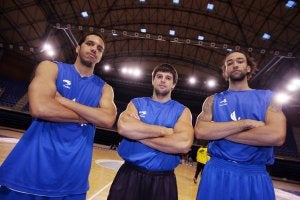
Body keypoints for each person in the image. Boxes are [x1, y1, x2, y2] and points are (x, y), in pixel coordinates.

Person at [0, 32, 117, 199]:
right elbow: (40, 108)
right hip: (29, 169)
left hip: (72, 180)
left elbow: (107, 119)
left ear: (100, 56)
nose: (94, 49)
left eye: (99, 48)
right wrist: (90, 116)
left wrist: (64, 101)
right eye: (89, 44)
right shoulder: (50, 67)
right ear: (77, 48)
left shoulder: (105, 88)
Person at [194, 50, 286, 200]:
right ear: (225, 71)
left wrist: (219, 131)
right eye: (229, 63)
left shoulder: (269, 97)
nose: (235, 65)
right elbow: (200, 132)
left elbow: (276, 136)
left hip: (254, 175)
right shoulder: (212, 100)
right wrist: (246, 123)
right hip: (217, 171)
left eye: (240, 61)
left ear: (248, 68)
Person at [107, 63, 194, 200]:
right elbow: (124, 127)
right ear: (153, 80)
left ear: (173, 84)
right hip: (130, 175)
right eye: (159, 76)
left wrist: (138, 134)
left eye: (168, 78)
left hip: (163, 181)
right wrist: (166, 131)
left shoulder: (182, 111)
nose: (163, 80)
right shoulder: (136, 103)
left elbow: (183, 144)